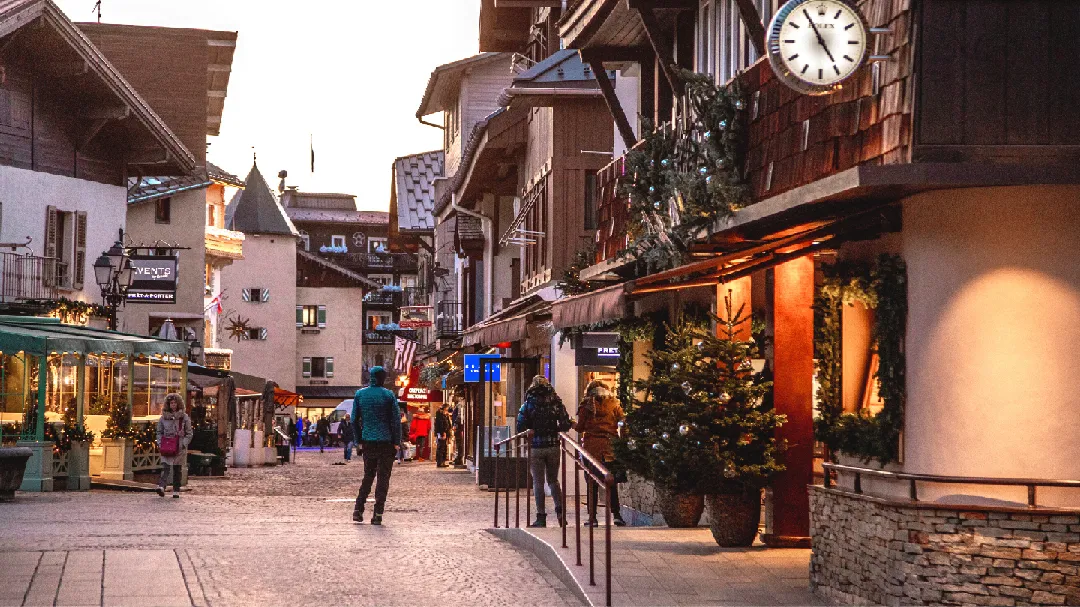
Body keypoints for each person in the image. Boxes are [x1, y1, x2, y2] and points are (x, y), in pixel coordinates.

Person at [516, 376, 572, 528]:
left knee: (538, 482)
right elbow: (566, 423)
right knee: (553, 480)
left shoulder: (527, 404)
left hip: (535, 447)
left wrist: (531, 429)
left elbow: (520, 426)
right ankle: (560, 513)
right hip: (553, 445)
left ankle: (541, 517)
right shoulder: (556, 402)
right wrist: (556, 429)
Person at [351, 366, 402, 525]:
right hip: (386, 442)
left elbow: (354, 420)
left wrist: (358, 440)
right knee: (383, 478)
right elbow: (395, 421)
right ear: (383, 378)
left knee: (368, 476)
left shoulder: (360, 394)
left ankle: (358, 509)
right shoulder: (388, 395)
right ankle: (378, 513)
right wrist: (396, 442)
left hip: (368, 441)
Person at [575, 380, 627, 527]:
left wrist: (571, 423)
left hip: (592, 449)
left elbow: (580, 428)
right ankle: (617, 515)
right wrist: (622, 441)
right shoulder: (615, 404)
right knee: (611, 482)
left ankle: (593, 518)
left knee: (592, 483)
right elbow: (623, 423)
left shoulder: (586, 406)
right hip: (611, 448)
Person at [156, 393, 193, 499]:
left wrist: (184, 443)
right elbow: (159, 432)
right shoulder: (163, 418)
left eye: (175, 403)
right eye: (171, 403)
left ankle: (176, 490)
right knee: (165, 466)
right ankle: (161, 486)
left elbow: (189, 433)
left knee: (177, 468)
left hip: (179, 445)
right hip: (167, 445)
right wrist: (160, 442)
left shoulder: (184, 417)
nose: (173, 405)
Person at [434, 403, 452, 468]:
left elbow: (448, 424)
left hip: (445, 432)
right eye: (447, 408)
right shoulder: (440, 414)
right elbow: (440, 424)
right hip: (442, 433)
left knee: (444, 448)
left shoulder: (444, 415)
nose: (447, 410)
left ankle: (442, 462)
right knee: (441, 448)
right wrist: (443, 432)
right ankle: (440, 462)